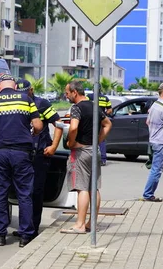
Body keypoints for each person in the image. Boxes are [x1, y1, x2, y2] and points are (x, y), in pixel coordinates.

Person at [0, 74, 44, 247]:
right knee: (24, 194)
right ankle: (25, 236)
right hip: (22, 152)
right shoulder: (26, 100)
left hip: (0, 152)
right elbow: (38, 126)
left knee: (0, 193)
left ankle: (0, 236)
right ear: (14, 87)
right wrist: (32, 135)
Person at [12, 78, 63, 238]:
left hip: (39, 155)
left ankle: (33, 228)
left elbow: (58, 124)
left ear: (31, 90)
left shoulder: (42, 104)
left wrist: (54, 146)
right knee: (23, 193)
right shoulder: (16, 105)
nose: (23, 96)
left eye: (25, 93)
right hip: (21, 154)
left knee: (36, 192)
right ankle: (24, 227)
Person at [61, 81, 112, 234]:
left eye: (67, 93)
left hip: (81, 152)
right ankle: (91, 223)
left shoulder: (76, 108)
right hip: (94, 150)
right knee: (93, 188)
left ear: (75, 92)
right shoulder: (94, 105)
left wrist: (71, 142)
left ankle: (80, 225)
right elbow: (108, 124)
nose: (66, 96)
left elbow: (74, 127)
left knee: (82, 188)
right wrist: (98, 140)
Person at [87, 92, 113, 166]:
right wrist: (104, 114)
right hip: (101, 120)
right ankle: (103, 159)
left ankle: (90, 158)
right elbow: (110, 110)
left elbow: (86, 105)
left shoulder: (89, 96)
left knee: (89, 138)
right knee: (102, 140)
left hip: (91, 120)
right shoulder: (105, 98)